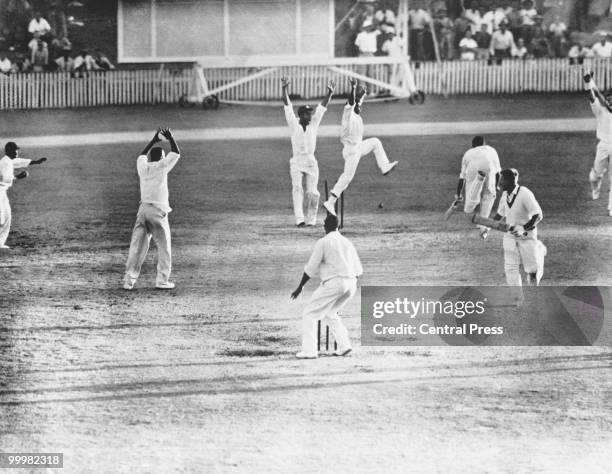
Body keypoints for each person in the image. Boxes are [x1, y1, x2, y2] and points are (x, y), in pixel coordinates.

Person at [290, 214, 362, 359]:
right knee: (329, 313)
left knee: (309, 313)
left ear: (326, 226)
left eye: (324, 224)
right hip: (351, 284)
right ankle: (344, 345)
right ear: (337, 226)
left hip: (335, 283)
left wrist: (300, 287)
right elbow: (358, 271)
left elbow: (311, 267)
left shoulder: (323, 242)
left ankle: (310, 351)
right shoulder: (347, 242)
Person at [323, 79, 397, 216]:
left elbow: (357, 101)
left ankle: (384, 166)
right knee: (347, 177)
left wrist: (362, 93)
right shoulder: (348, 115)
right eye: (357, 105)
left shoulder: (356, 113)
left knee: (375, 142)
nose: (360, 106)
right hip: (351, 151)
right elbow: (351, 102)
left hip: (357, 147)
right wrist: (353, 87)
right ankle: (330, 202)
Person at [123, 128, 181, 290]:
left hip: (142, 211)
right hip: (158, 212)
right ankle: (162, 281)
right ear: (162, 157)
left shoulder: (143, 167)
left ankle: (129, 281)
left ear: (150, 158)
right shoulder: (163, 166)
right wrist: (170, 138)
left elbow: (141, 156)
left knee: (137, 247)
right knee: (164, 248)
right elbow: (176, 153)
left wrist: (154, 140)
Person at [281, 76, 334, 227]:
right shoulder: (293, 123)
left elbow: (322, 108)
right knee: (297, 189)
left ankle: (311, 219)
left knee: (312, 192)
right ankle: (299, 219)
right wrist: (284, 88)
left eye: (310, 114)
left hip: (311, 162)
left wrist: (329, 93)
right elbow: (287, 105)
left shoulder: (314, 123)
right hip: (297, 161)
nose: (310, 116)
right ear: (301, 115)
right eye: (307, 114)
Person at [493, 169, 546, 286]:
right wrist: (486, 227)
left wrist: (523, 228)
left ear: (510, 181)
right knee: (510, 269)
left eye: (502, 180)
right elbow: (500, 214)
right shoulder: (505, 194)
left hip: (527, 237)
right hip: (510, 237)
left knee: (532, 271)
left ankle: (539, 250)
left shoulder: (525, 194)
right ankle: (517, 298)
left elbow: (538, 215)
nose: (499, 183)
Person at [0, 142, 47, 249]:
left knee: (7, 216)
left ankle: (0, 243)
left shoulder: (9, 160)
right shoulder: (5, 163)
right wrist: (19, 177)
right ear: (9, 151)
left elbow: (19, 162)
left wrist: (36, 162)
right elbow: (6, 179)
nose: (17, 152)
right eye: (15, 150)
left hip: (2, 192)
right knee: (1, 218)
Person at [453, 136, 501, 239]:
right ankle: (483, 227)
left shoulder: (468, 153)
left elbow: (462, 177)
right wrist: (496, 186)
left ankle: (479, 181)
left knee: (469, 207)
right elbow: (498, 172)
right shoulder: (490, 149)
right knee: (488, 196)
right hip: (489, 168)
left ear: (473, 145)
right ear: (484, 143)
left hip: (472, 168)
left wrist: (458, 194)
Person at [584, 72, 612, 216]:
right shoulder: (600, 111)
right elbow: (592, 97)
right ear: (606, 101)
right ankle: (596, 187)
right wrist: (588, 84)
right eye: (609, 100)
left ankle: (611, 207)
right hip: (603, 146)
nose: (611, 102)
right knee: (595, 176)